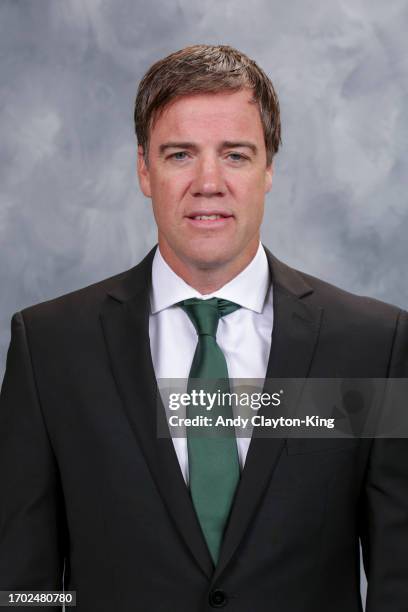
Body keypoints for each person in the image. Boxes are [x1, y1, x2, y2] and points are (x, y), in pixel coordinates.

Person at [0, 44, 407, 612]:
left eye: (235, 155)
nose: (208, 182)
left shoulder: (372, 344)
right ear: (144, 169)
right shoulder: (49, 349)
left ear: (269, 169)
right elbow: (23, 584)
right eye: (180, 154)